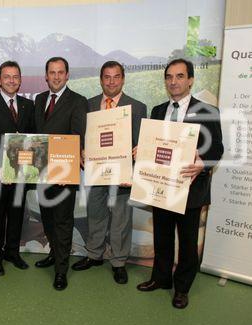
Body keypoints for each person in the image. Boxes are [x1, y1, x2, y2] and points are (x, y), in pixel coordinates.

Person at [136, 58, 223, 309]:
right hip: (162, 186)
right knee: (162, 238)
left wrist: (203, 164)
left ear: (191, 80)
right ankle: (161, 279)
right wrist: (141, 151)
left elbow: (217, 148)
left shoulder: (208, 110)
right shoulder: (158, 110)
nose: (173, 81)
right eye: (169, 77)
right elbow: (154, 147)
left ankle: (182, 288)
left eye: (180, 76)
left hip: (190, 187)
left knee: (187, 243)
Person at [72, 61, 147, 284]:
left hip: (123, 174)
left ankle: (119, 261)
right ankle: (94, 254)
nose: (111, 81)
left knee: (121, 218)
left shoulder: (138, 106)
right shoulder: (90, 105)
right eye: (107, 77)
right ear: (101, 79)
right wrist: (82, 150)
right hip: (97, 171)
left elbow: (142, 140)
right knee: (95, 213)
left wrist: (139, 149)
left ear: (123, 79)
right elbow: (83, 136)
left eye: (116, 77)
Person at [33, 57, 88, 290]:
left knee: (63, 223)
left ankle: (61, 271)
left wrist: (68, 170)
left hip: (65, 175)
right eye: (52, 72)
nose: (56, 76)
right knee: (47, 218)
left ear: (67, 75)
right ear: (46, 75)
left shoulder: (78, 101)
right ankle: (54, 254)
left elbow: (78, 137)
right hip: (42, 174)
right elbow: (35, 135)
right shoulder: (39, 99)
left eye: (60, 72)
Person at [0, 61, 35, 276]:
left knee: (16, 213)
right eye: (7, 76)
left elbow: (33, 138)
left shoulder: (28, 106)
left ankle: (12, 252)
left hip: (21, 172)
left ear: (20, 80)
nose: (11, 80)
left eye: (15, 77)